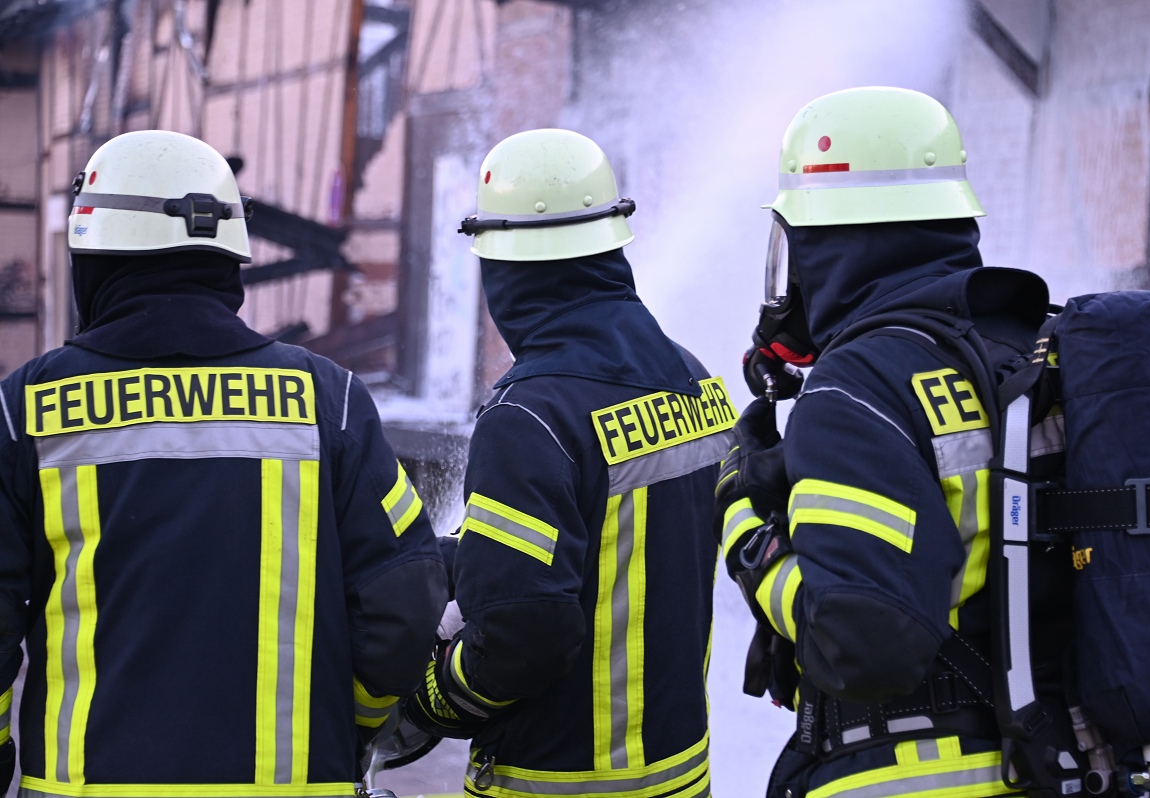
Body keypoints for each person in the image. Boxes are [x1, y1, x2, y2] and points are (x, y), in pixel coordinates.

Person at [0, 130, 448, 797]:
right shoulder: (330, 402)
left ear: (93, 260)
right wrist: (354, 724)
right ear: (229, 261)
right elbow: (404, 603)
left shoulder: (25, 409)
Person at [716, 87, 1071, 797]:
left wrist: (749, 537)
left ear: (831, 244)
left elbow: (862, 644)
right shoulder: (1030, 351)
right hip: (1054, 758)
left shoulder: (857, 387)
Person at [401, 129, 734, 798]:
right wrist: (455, 558)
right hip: (680, 776)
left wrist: (432, 697)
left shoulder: (529, 416)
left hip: (555, 782)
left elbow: (522, 636)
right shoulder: (697, 383)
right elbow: (612, 543)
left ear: (505, 272)